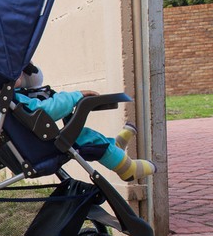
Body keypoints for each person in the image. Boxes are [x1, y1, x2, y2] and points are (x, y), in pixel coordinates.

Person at [15, 64, 156, 181]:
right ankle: (126, 168)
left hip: (30, 145)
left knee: (82, 134)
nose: (21, 72)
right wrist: (75, 96)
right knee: (86, 139)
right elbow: (46, 111)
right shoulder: (15, 99)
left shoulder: (9, 98)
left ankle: (114, 149)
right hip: (40, 149)